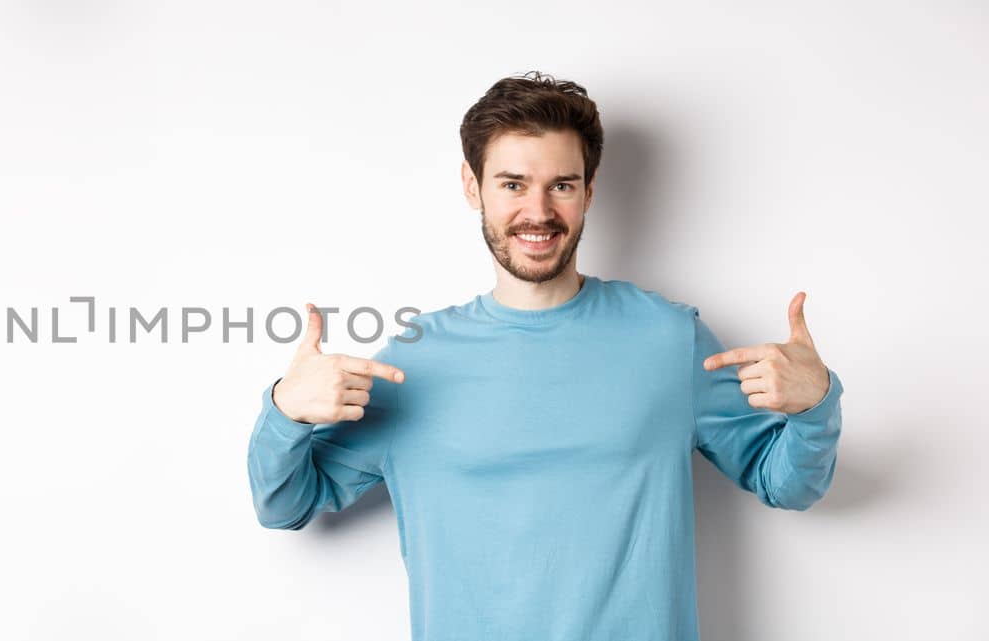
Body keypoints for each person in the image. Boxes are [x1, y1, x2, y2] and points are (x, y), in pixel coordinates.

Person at [245, 71, 843, 641]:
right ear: (471, 186)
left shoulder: (667, 339)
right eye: (512, 184)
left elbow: (786, 484)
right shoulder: (415, 361)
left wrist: (814, 406)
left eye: (561, 184)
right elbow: (285, 506)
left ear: (589, 190)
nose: (538, 211)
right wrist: (285, 413)